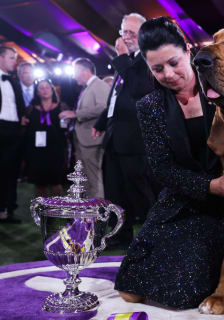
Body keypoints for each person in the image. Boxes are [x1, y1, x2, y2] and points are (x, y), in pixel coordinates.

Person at [114, 17, 224, 309]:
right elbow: (162, 168)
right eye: (157, 69)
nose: (168, 74)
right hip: (180, 200)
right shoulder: (149, 106)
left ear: (188, 51)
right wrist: (210, 185)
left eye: (173, 62)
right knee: (129, 289)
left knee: (181, 295)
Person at [93, 13, 157, 249]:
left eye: (132, 32)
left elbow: (140, 90)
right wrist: (101, 122)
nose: (126, 37)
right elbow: (115, 98)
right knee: (115, 193)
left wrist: (121, 58)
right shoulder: (126, 61)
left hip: (135, 141)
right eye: (124, 31)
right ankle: (121, 235)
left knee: (141, 194)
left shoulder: (147, 60)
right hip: (114, 137)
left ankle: (156, 238)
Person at [59, 58, 110, 198]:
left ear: (84, 71)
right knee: (85, 178)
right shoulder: (88, 87)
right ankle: (87, 213)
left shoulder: (99, 85)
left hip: (92, 139)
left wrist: (76, 114)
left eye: (75, 72)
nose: (73, 76)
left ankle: (97, 214)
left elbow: (103, 108)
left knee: (94, 177)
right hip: (83, 139)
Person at [22, 79, 69, 197]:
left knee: (56, 183)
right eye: (41, 88)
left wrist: (69, 122)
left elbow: (67, 129)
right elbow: (25, 129)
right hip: (36, 152)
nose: (45, 90)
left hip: (56, 150)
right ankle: (42, 211)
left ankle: (57, 210)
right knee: (40, 183)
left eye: (47, 87)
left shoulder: (62, 107)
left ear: (52, 90)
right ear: (37, 92)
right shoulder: (30, 109)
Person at [0, 46, 25, 224]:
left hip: (14, 130)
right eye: (11, 58)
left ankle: (8, 210)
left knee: (12, 171)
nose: (15, 62)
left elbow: (21, 106)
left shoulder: (14, 82)